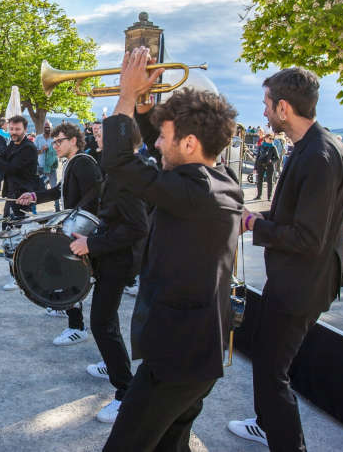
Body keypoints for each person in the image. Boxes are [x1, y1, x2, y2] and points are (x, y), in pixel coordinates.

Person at [100, 47, 242, 451]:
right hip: (198, 355)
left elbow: (120, 163)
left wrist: (127, 96)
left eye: (164, 138)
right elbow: (162, 151)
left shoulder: (192, 191)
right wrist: (147, 111)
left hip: (176, 359)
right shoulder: (220, 178)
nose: (157, 146)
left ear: (191, 143)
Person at [228, 67, 343, 451]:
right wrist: (251, 218)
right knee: (269, 360)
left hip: (302, 283)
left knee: (270, 369)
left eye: (266, 105)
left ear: (283, 107)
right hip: (296, 279)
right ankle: (266, 423)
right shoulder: (315, 146)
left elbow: (307, 238)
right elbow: (295, 216)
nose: (263, 114)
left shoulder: (319, 156)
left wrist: (254, 226)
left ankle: (286, 441)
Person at [69, 120, 149, 423]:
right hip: (112, 254)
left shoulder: (126, 176)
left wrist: (93, 243)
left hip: (119, 259)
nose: (95, 137)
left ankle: (125, 391)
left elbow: (137, 226)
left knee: (101, 322)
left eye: (102, 135)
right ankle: (114, 363)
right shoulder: (118, 171)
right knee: (107, 320)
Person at [15, 123, 102, 342]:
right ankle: (67, 309)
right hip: (74, 224)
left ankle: (77, 328)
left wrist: (74, 215)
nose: (55, 146)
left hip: (80, 228)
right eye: (53, 142)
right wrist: (33, 196)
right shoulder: (73, 163)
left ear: (74, 140)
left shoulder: (83, 162)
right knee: (66, 269)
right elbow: (57, 191)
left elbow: (96, 191)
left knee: (70, 272)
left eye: (59, 141)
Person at [0, 115, 39, 280]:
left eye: (17, 129)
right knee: (8, 233)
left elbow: (9, 168)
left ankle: (20, 276)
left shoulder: (29, 148)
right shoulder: (13, 143)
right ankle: (14, 273)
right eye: (11, 129)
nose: (14, 132)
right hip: (11, 195)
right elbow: (3, 156)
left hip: (23, 197)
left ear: (25, 130)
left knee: (18, 238)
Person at [34, 120, 60, 212]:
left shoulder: (55, 138)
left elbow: (59, 151)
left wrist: (53, 150)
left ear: (51, 128)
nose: (47, 128)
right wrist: (41, 150)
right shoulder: (38, 138)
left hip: (52, 167)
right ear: (43, 128)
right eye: (45, 127)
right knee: (38, 188)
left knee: (54, 188)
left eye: (48, 127)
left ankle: (57, 208)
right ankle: (33, 209)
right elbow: (33, 152)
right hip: (40, 167)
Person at [254, 133, 279, 200]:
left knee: (269, 181)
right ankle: (259, 196)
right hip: (260, 165)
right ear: (265, 138)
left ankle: (269, 196)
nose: (271, 140)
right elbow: (257, 157)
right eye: (270, 138)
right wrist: (255, 167)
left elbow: (277, 158)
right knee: (259, 181)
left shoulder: (273, 147)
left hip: (269, 166)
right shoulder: (260, 146)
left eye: (272, 139)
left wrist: (272, 161)